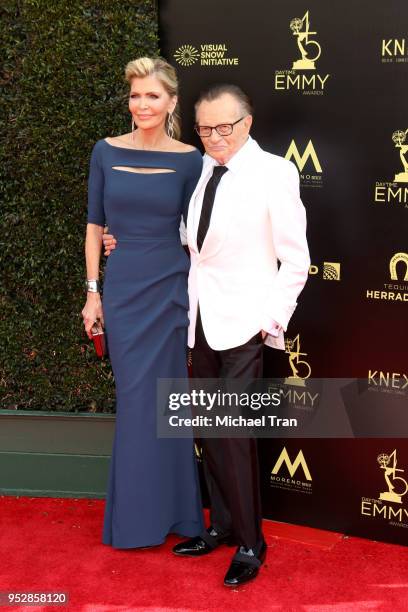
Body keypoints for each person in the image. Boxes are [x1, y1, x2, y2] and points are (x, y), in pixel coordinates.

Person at [103, 83, 310, 585]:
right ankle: (221, 525)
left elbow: (296, 258)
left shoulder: (274, 172)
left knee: (232, 435)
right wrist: (123, 238)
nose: (216, 137)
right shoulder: (199, 170)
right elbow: (187, 237)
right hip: (195, 321)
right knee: (209, 433)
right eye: (205, 128)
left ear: (247, 123)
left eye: (226, 127)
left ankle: (251, 544)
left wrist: (269, 323)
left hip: (244, 327)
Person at [82, 57, 204, 549]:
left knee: (166, 403)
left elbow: (200, 229)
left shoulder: (191, 159)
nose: (142, 104)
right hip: (126, 288)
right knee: (136, 402)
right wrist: (93, 291)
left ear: (172, 102)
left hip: (170, 287)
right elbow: (94, 224)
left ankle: (178, 516)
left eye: (152, 95)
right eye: (135, 95)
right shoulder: (104, 151)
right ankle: (137, 519)